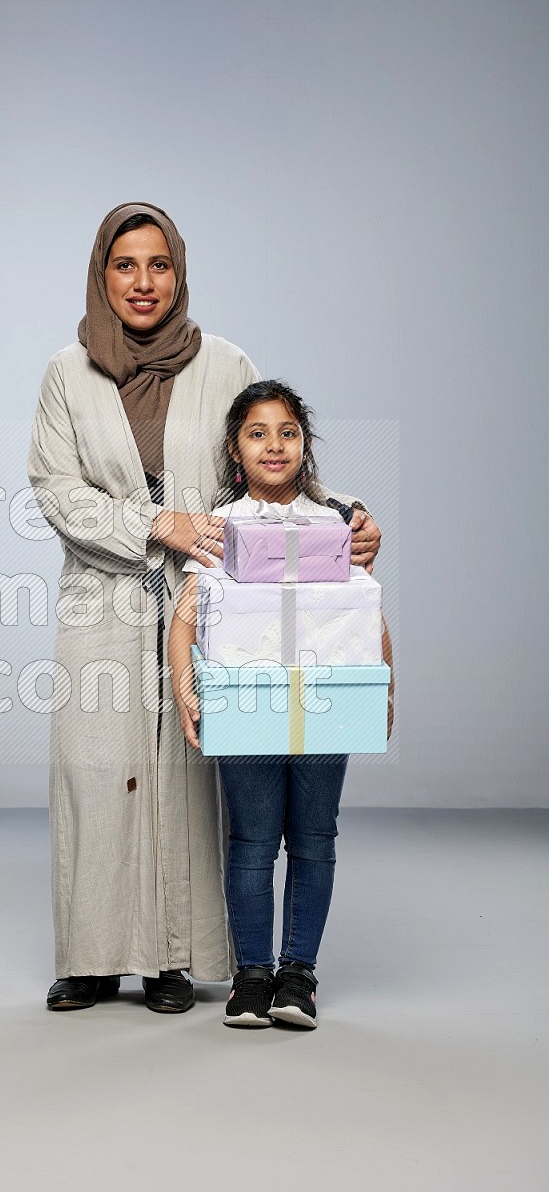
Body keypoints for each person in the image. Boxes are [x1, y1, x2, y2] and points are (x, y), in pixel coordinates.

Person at [27, 202, 382, 1013]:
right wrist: (157, 523)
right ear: (101, 275)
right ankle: (89, 958)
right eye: (126, 265)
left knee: (188, 778)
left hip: (212, 598)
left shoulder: (223, 362)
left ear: (180, 274)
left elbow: (268, 465)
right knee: (92, 769)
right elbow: (55, 487)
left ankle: (172, 961)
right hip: (104, 597)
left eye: (160, 265)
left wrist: (349, 517)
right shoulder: (65, 373)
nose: (143, 282)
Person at [168, 379, 395, 1028]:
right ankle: (253, 977)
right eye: (257, 433)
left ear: (306, 446)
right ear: (236, 452)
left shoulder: (334, 524)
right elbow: (186, 619)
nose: (275, 444)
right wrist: (185, 682)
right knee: (252, 843)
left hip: (324, 701)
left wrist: (384, 678)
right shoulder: (222, 527)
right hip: (248, 705)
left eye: (288, 432)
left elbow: (362, 610)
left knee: (316, 840)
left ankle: (299, 976)